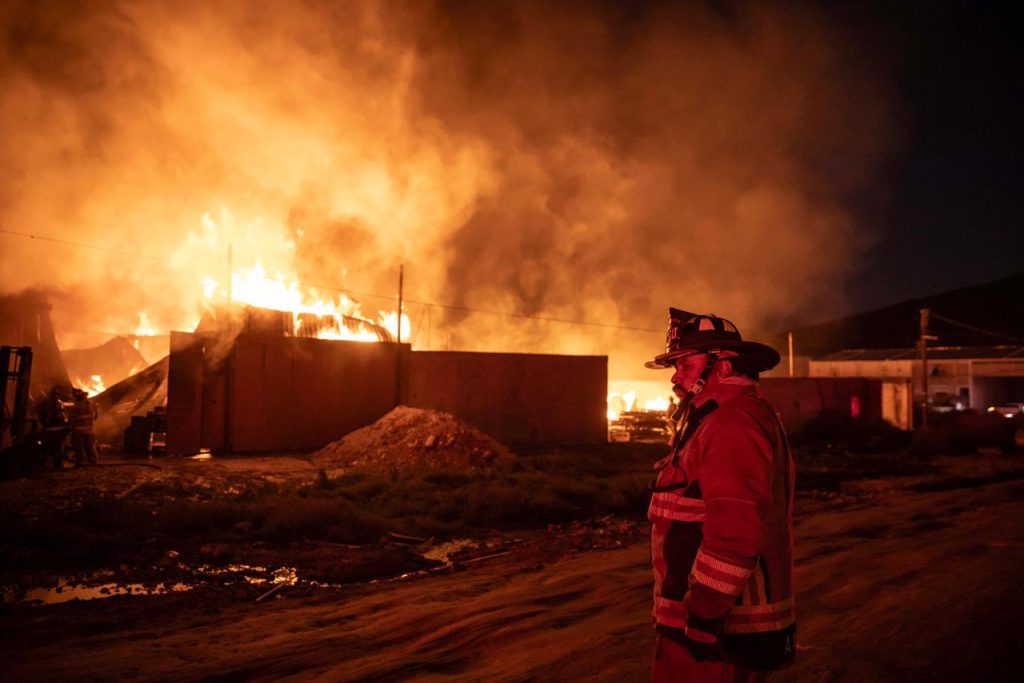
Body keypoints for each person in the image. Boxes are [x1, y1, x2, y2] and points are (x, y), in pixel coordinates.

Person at [646, 308, 795, 682]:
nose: (676, 377)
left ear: (723, 367)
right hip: (711, 622)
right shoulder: (722, 417)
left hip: (714, 628)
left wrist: (703, 612)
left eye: (685, 365)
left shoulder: (732, 424)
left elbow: (735, 531)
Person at [37, 386, 69, 469]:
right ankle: (57, 465)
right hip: (58, 431)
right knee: (57, 449)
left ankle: (43, 465)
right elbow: (64, 416)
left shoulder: (43, 402)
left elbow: (40, 416)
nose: (56, 396)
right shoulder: (59, 403)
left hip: (48, 430)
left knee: (46, 448)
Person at [69, 388, 99, 466]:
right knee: (91, 447)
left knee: (80, 448)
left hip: (78, 431)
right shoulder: (92, 404)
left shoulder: (76, 406)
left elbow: (72, 420)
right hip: (90, 430)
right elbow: (95, 416)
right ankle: (93, 461)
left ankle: (82, 462)